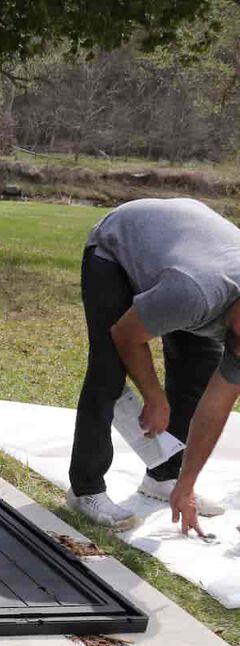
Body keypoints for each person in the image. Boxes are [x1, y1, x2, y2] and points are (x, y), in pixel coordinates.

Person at [67, 197, 240, 537]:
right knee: (109, 369)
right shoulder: (193, 293)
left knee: (198, 371)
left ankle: (165, 476)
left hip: (185, 254)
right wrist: (154, 395)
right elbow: (125, 335)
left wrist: (187, 484)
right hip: (118, 245)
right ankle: (84, 490)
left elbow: (216, 405)